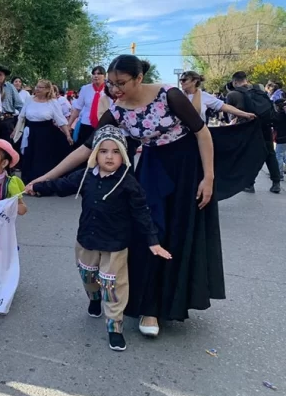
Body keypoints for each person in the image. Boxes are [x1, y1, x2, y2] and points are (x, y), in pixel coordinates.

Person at [26, 55, 228, 338]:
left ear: (138, 78)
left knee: (175, 234)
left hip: (186, 171)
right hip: (150, 173)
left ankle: (169, 301)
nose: (115, 89)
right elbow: (87, 147)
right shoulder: (118, 110)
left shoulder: (169, 95)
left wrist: (209, 177)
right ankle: (150, 307)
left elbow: (202, 133)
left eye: (121, 83)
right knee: (148, 233)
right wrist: (47, 177)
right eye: (111, 83)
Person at [31, 125, 172, 351]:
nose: (109, 156)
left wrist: (153, 242)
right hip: (87, 239)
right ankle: (94, 298)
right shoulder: (85, 176)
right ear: (95, 153)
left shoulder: (128, 183)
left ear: (124, 155)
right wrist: (37, 187)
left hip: (115, 244)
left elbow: (142, 213)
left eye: (115, 152)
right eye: (104, 150)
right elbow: (62, 185)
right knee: (88, 276)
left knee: (113, 285)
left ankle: (114, 327)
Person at [226, 71, 281, 194]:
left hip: (248, 128)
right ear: (246, 80)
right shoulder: (260, 91)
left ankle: (250, 184)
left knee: (249, 156)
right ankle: (276, 183)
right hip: (265, 127)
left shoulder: (233, 94)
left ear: (235, 82)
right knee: (270, 154)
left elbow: (231, 117)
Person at [16, 80, 73, 184]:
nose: (37, 89)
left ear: (47, 90)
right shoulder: (29, 100)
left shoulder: (52, 102)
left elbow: (61, 120)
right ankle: (29, 182)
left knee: (43, 159)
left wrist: (68, 135)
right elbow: (21, 117)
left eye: (40, 87)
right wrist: (16, 131)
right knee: (30, 157)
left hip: (46, 134)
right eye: (37, 87)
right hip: (31, 133)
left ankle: (43, 184)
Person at [179, 71, 255, 124]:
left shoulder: (204, 96)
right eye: (180, 80)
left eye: (184, 80)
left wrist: (246, 114)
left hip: (198, 135)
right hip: (178, 137)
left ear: (194, 81)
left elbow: (225, 107)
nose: (181, 82)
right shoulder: (177, 96)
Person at [68, 66, 109, 147]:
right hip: (86, 124)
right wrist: (69, 124)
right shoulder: (85, 89)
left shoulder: (109, 89)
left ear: (104, 76)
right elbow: (77, 109)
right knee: (83, 149)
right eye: (93, 74)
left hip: (103, 125)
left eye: (99, 73)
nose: (96, 76)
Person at [0, 66, 24, 145]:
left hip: (7, 120)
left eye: (0, 74)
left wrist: (21, 121)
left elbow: (19, 105)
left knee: (7, 145)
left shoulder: (10, 87)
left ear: (4, 76)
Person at [274, 99, 286, 180]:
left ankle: (279, 173)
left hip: (281, 137)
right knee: (283, 154)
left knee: (279, 155)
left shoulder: (278, 115)